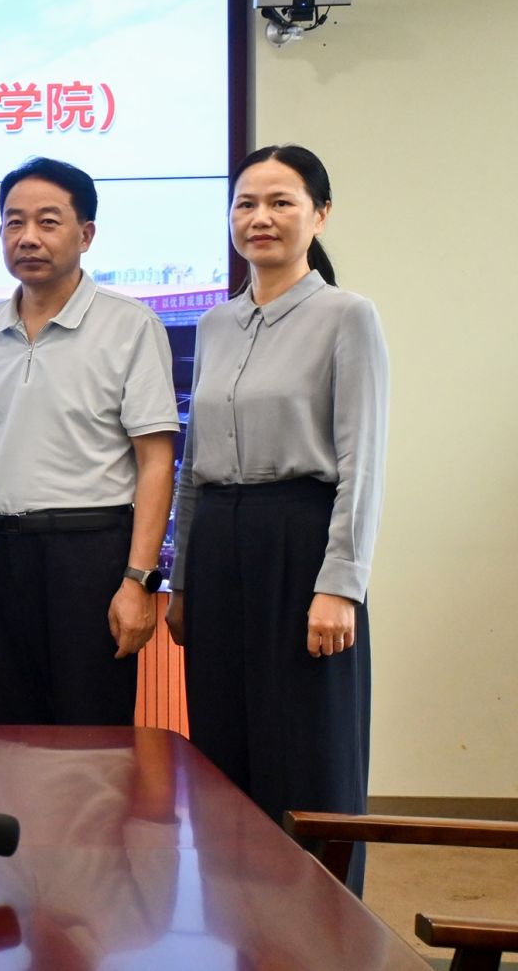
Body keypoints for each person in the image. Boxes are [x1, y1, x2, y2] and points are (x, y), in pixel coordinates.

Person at [171, 145, 387, 892]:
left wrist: (341, 585)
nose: (259, 218)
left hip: (301, 541)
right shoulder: (215, 324)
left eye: (281, 202)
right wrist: (182, 580)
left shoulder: (346, 316)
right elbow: (193, 465)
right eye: (245, 203)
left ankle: (323, 925)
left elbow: (363, 462)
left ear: (319, 215)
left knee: (308, 751)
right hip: (218, 543)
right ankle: (237, 920)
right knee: (223, 749)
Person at [0, 158, 179, 726]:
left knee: (92, 738)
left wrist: (138, 581)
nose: (28, 237)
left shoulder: (130, 326)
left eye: (48, 222)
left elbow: (156, 462)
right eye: (14, 222)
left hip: (88, 557)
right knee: (9, 731)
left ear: (86, 234)